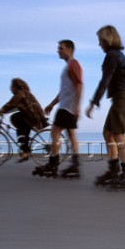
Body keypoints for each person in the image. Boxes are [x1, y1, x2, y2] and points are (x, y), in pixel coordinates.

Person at [86, 25, 125, 189]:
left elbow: (105, 80)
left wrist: (94, 102)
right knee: (108, 133)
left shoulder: (113, 56)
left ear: (107, 40)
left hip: (123, 98)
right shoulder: (115, 55)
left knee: (118, 135)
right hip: (120, 98)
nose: (99, 44)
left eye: (100, 40)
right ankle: (114, 170)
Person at [33, 39, 83, 178]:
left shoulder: (73, 64)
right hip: (67, 106)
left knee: (55, 132)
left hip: (67, 108)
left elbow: (79, 84)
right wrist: (52, 104)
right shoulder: (68, 66)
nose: (58, 51)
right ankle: (75, 166)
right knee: (71, 135)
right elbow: (64, 91)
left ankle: (52, 164)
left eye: (61, 48)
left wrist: (77, 107)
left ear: (69, 49)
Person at [0, 78, 47, 162]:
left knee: (16, 121)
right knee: (21, 127)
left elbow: (9, 105)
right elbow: (13, 107)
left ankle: (25, 151)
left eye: (11, 86)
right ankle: (25, 150)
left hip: (33, 117)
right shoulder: (25, 93)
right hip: (33, 117)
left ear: (15, 87)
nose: (10, 88)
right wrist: (2, 112)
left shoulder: (20, 93)